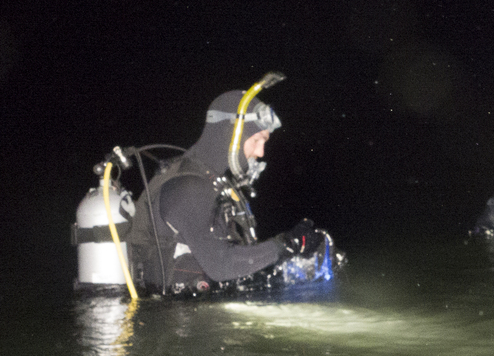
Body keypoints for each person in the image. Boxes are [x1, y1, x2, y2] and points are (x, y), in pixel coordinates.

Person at [126, 86, 342, 294]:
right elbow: (220, 266)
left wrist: (294, 257)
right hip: (171, 314)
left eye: (264, 142)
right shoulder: (187, 188)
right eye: (256, 140)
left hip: (199, 306)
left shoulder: (217, 185)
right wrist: (287, 244)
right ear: (229, 135)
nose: (261, 152)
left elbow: (236, 260)